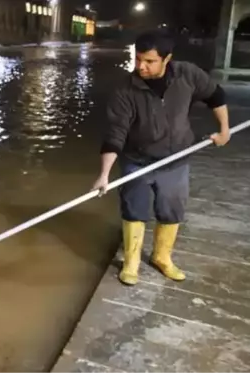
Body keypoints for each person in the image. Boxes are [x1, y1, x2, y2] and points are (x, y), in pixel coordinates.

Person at [92, 30, 231, 286]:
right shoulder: (125, 90)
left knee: (171, 210)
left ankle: (161, 257)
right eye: (138, 59)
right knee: (134, 210)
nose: (141, 66)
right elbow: (115, 134)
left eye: (149, 61)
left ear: (167, 59)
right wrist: (104, 175)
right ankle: (131, 262)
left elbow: (216, 95)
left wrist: (224, 130)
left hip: (176, 159)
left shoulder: (187, 74)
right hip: (138, 159)